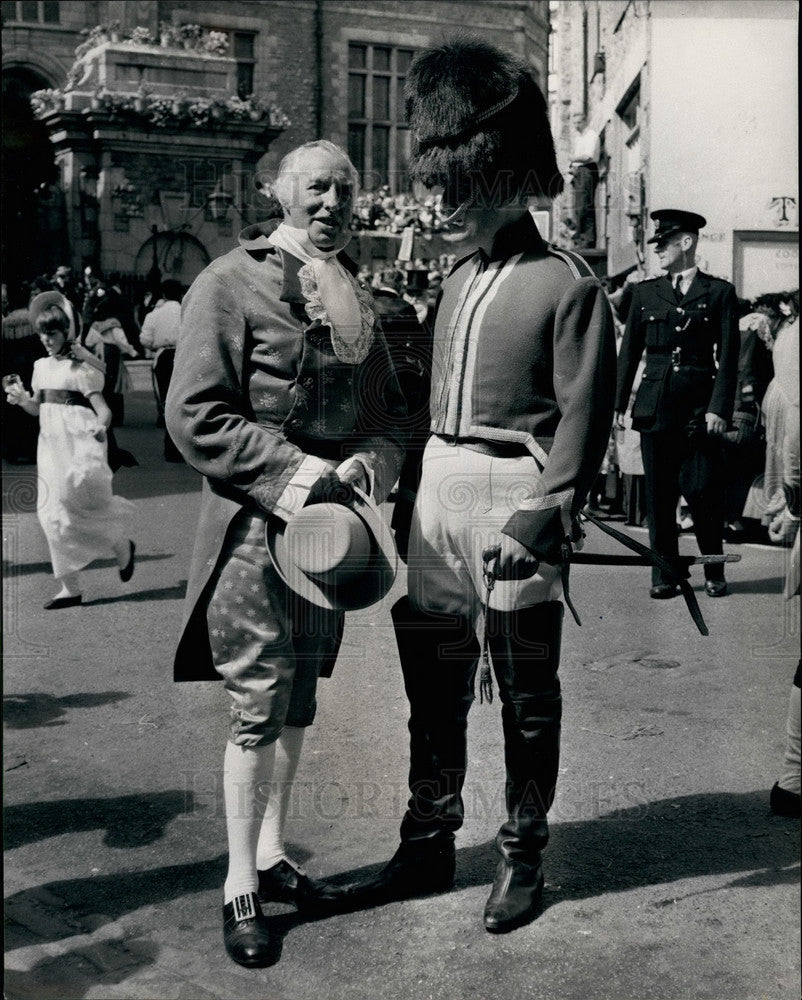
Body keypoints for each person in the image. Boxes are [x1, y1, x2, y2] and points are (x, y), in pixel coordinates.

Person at [354, 38, 617, 934]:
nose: (444, 207)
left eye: (458, 189)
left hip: (513, 493)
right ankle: (428, 838)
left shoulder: (567, 283)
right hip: (440, 488)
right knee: (433, 678)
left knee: (525, 688)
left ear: (504, 178)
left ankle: (522, 853)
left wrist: (545, 516)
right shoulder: (458, 276)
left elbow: (585, 416)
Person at [165, 140, 407, 967]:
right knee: (257, 703)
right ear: (279, 194)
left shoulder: (358, 297)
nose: (333, 202)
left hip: (329, 538)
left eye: (345, 187)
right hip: (251, 529)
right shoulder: (230, 282)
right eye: (316, 187)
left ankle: (271, 854)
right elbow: (194, 414)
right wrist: (301, 470)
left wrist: (372, 461)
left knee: (300, 698)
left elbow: (386, 415)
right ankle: (238, 884)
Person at [615, 209, 740, 598]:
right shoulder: (645, 292)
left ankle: (714, 569)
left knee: (703, 491)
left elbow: (730, 357)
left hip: (699, 411)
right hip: (655, 409)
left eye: (664, 244)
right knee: (659, 495)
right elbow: (629, 354)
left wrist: (719, 407)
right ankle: (663, 574)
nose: (658, 251)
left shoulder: (719, 293)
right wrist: (618, 405)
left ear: (686, 243)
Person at [3, 291, 136, 608]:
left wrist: (99, 427)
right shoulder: (39, 367)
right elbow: (38, 409)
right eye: (42, 333)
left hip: (79, 445)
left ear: (66, 332)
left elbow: (103, 410)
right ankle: (70, 586)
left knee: (80, 506)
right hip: (50, 447)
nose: (47, 339)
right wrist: (23, 400)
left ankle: (120, 545)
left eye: (53, 333)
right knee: (50, 512)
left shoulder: (82, 369)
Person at [139, 278, 183, 462]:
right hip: (182, 356)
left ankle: (170, 447)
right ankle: (181, 446)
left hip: (163, 357)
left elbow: (145, 339)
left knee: (166, 401)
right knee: (181, 400)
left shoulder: (155, 314)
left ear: (163, 294)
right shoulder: (187, 311)